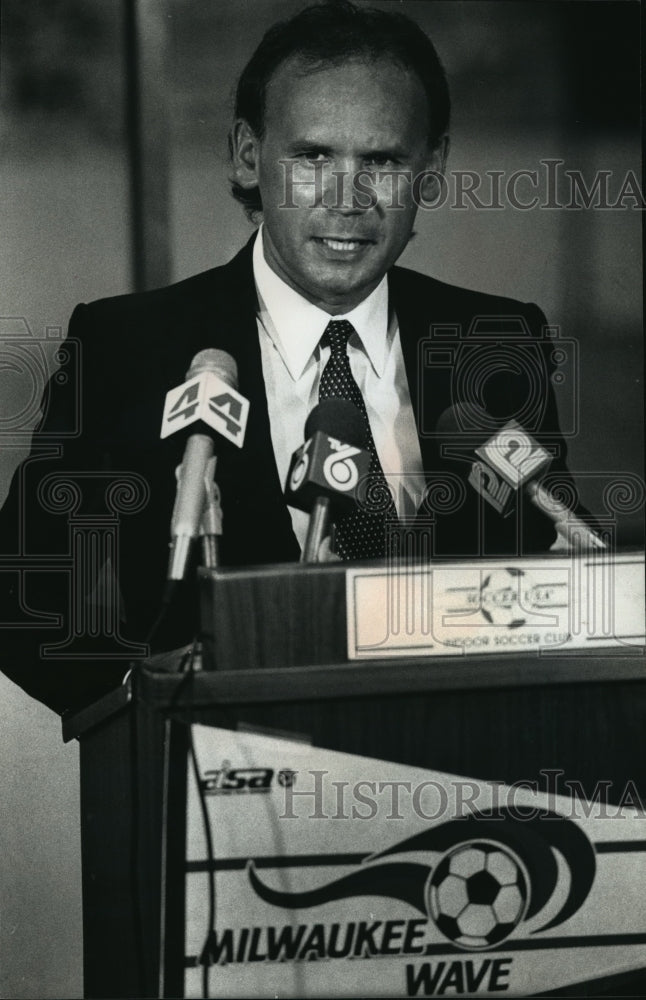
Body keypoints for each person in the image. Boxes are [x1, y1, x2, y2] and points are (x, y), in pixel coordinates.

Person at [0, 0, 575, 713]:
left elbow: (559, 564)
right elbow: (22, 600)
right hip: (222, 792)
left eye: (383, 160)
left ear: (433, 166)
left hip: (463, 778)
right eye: (312, 157)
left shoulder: (497, 339)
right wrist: (144, 709)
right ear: (249, 155)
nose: (347, 199)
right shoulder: (127, 347)